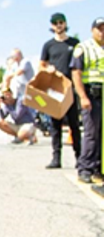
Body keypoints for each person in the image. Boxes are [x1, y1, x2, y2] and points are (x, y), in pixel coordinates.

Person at [39, 12, 82, 169]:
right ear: (52, 26)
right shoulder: (48, 45)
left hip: (70, 89)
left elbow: (80, 63)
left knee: (74, 125)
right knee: (55, 126)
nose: (58, 25)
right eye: (55, 23)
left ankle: (80, 158)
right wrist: (48, 68)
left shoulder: (75, 43)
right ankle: (56, 158)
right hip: (54, 91)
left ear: (65, 24)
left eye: (61, 22)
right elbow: (41, 65)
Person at [71, 17, 104, 184]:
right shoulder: (83, 48)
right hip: (91, 95)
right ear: (93, 30)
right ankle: (85, 168)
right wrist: (82, 96)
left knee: (102, 135)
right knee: (91, 133)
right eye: (99, 28)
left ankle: (99, 169)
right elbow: (76, 73)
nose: (102, 32)